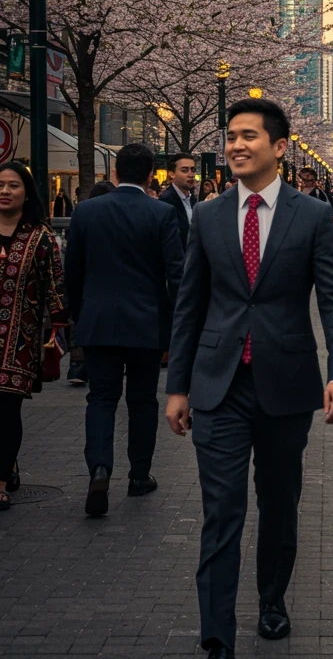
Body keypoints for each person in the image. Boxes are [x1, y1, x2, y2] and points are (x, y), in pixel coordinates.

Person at [165, 97, 333, 659]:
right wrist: (177, 386)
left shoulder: (313, 215)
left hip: (286, 386)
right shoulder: (210, 216)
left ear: (279, 147)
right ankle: (217, 644)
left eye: (249, 135)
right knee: (222, 511)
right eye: (231, 135)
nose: (236, 144)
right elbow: (190, 304)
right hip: (217, 386)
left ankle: (272, 598)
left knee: (278, 503)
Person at [65, 142, 184, 517]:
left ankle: (100, 466)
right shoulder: (162, 213)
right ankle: (139, 475)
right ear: (152, 174)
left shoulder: (86, 211)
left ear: (114, 173)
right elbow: (176, 274)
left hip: (98, 320)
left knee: (100, 397)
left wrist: (78, 313)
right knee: (142, 399)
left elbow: (73, 271)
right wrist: (174, 318)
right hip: (146, 322)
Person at [0, 162, 68, 513]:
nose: (5, 191)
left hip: (19, 339)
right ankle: (6, 465)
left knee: (7, 408)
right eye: (1, 185)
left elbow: (55, 285)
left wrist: (59, 329)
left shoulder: (40, 236)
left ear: (26, 192)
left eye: (13, 185)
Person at [159, 153, 197, 250]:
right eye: (185, 170)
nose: (191, 175)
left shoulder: (193, 199)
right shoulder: (166, 200)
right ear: (171, 174)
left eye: (193, 170)